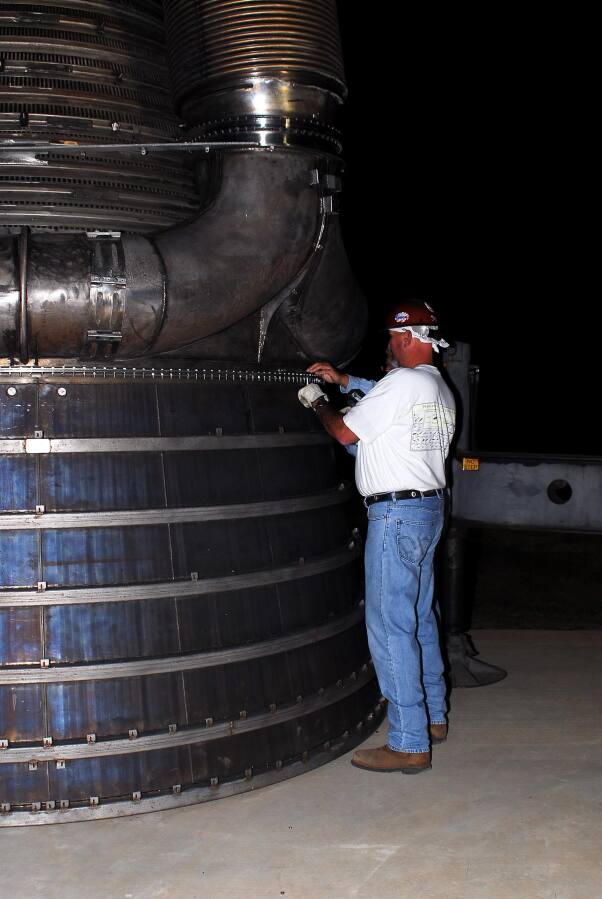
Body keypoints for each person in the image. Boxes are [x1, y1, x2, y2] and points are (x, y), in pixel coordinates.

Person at [298, 300, 455, 774]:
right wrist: (346, 380)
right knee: (420, 618)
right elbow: (384, 399)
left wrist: (318, 400)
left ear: (404, 338)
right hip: (427, 511)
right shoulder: (437, 387)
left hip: (396, 517)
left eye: (392, 339)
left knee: (391, 627)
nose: (390, 346)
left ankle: (408, 742)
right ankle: (434, 718)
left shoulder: (402, 383)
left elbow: (346, 433)